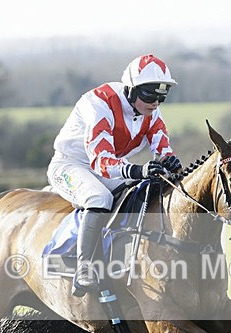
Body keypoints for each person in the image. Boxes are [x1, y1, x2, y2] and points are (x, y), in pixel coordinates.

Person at [47, 54, 183, 296]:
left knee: (143, 190)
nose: (155, 103)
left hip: (110, 166)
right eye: (150, 95)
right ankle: (84, 267)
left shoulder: (150, 110)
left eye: (162, 96)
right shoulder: (100, 104)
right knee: (99, 198)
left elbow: (161, 146)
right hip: (71, 164)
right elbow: (101, 160)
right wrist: (139, 170)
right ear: (130, 90)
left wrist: (168, 161)